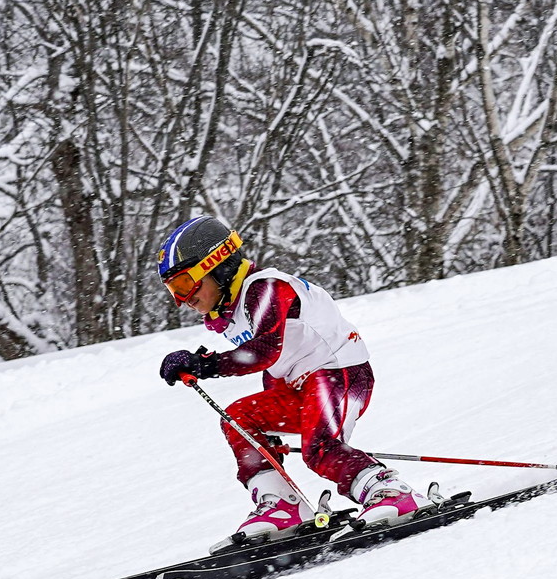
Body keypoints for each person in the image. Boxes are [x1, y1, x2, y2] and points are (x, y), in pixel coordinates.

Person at [156, 215, 443, 545]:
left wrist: (204, 364)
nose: (182, 299)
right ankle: (281, 506)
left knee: (320, 450)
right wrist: (266, 434)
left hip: (340, 373)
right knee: (238, 420)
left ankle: (391, 493)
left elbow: (265, 350)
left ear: (217, 265)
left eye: (185, 284)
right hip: (304, 387)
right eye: (173, 290)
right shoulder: (233, 310)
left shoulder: (265, 288)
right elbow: (279, 365)